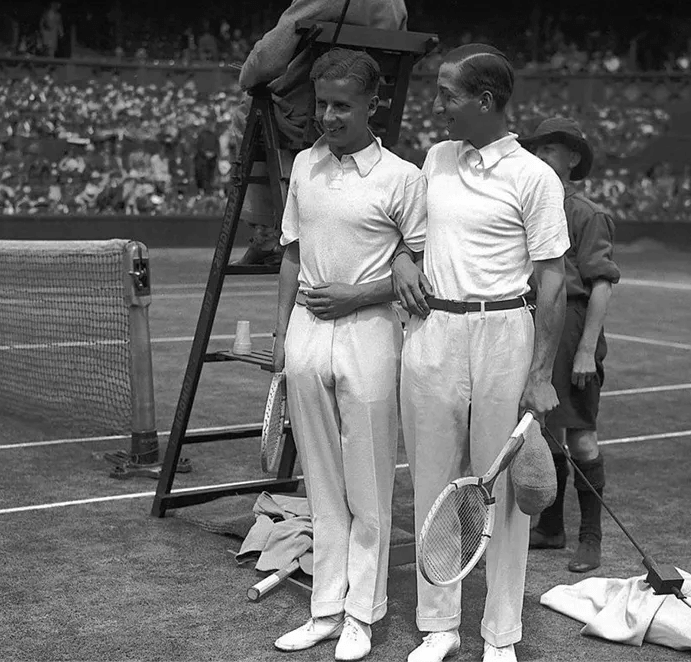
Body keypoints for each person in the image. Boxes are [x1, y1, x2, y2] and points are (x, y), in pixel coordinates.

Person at [391, 44, 569, 662]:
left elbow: (552, 282)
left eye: (448, 95)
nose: (438, 107)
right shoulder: (437, 157)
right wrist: (402, 259)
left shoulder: (535, 177)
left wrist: (541, 373)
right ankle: (438, 627)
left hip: (504, 338)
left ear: (485, 101)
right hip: (433, 332)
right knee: (433, 482)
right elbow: (406, 230)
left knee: (504, 495)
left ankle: (501, 635)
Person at [271, 48, 427, 661]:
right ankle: (326, 609)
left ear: (373, 106)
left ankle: (363, 613)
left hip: (369, 336)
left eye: (342, 105)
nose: (329, 117)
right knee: (321, 485)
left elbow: (421, 272)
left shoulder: (403, 177)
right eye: (323, 104)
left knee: (368, 488)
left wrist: (355, 294)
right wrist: (282, 341)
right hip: (306, 337)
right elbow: (290, 253)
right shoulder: (305, 167)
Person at [232, 0, 408, 266]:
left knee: (246, 112)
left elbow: (268, 58)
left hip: (311, 117)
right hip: (370, 119)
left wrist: (246, 77)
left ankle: (265, 232)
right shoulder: (396, 4)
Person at [519, 118, 621, 574]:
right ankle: (552, 526)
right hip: (538, 324)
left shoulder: (586, 213)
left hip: (574, 326)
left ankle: (591, 538)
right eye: (536, 147)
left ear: (573, 157)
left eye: (550, 148)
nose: (539, 155)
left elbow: (600, 284)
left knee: (580, 435)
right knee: (545, 431)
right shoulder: (532, 207)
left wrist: (585, 349)